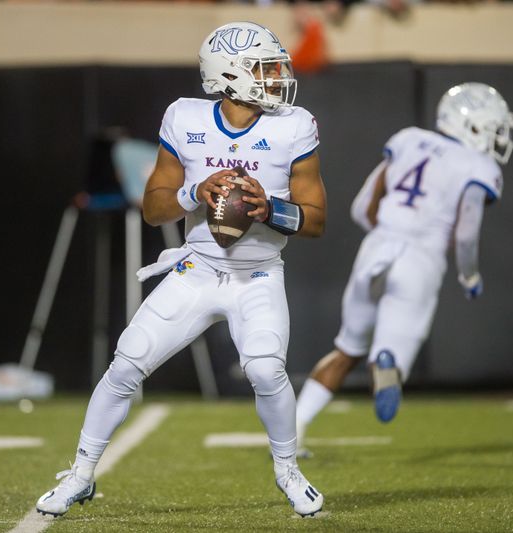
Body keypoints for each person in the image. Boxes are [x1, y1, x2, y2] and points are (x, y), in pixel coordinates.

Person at [36, 21, 327, 518]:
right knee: (127, 362)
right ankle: (81, 475)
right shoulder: (186, 118)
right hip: (197, 269)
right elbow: (154, 208)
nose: (277, 77)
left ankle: (287, 470)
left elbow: (317, 220)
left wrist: (270, 208)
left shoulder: (294, 124)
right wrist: (196, 191)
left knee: (263, 368)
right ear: (230, 76)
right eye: (264, 68)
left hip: (257, 275)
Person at [295, 83, 513, 455]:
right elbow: (465, 233)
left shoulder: (409, 141)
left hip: (377, 246)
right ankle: (388, 362)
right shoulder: (478, 166)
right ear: (470, 126)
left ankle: (293, 431)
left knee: (346, 348)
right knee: (393, 357)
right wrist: (469, 275)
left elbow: (363, 206)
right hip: (420, 258)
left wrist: (387, 234)